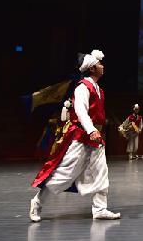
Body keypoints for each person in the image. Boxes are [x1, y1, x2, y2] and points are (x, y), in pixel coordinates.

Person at [29, 50, 120, 222]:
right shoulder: (82, 88)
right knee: (65, 174)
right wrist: (91, 130)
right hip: (82, 136)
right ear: (92, 68)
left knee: (102, 172)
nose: (103, 66)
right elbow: (80, 112)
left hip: (96, 137)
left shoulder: (99, 89)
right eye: (100, 64)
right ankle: (37, 202)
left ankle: (100, 209)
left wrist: (97, 129)